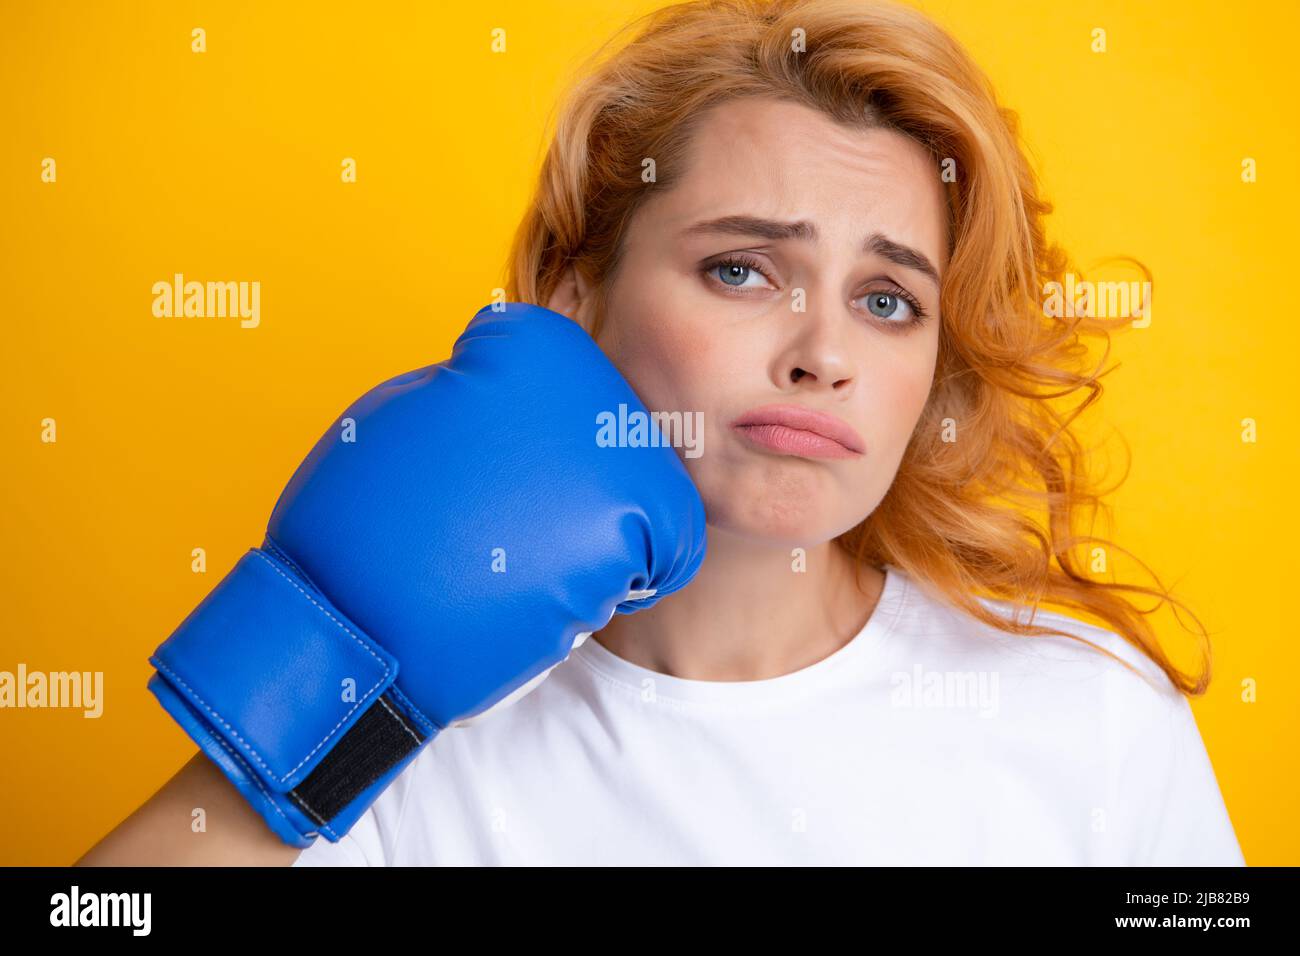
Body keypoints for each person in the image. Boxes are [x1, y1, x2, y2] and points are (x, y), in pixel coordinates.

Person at [77, 0, 1244, 867]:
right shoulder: (409, 723)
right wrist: (295, 718)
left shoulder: (1088, 717)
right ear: (573, 296)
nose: (822, 351)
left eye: (887, 299)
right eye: (741, 268)